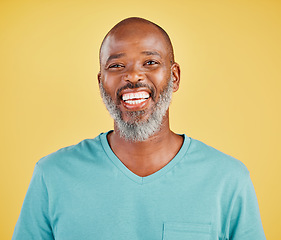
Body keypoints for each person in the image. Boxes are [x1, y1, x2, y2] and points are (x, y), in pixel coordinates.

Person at [12, 17, 266, 240]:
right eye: (116, 66)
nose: (133, 76)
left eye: (151, 62)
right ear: (102, 82)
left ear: (174, 77)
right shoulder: (52, 175)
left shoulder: (228, 179)